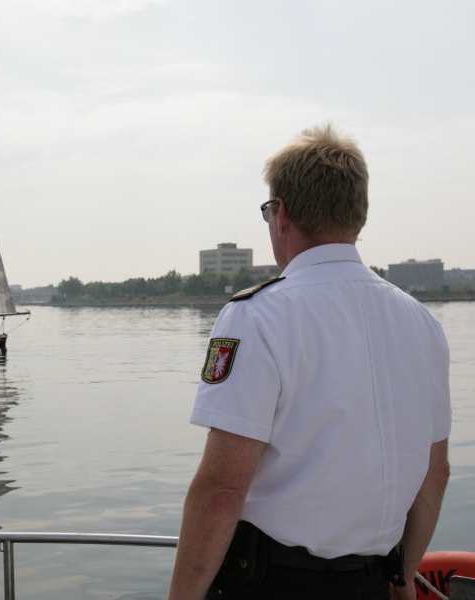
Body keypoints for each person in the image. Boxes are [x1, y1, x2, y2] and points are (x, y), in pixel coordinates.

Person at [167, 125, 451, 600]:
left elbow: (221, 488)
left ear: (282, 215)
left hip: (272, 585)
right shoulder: (421, 323)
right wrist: (402, 578)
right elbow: (434, 473)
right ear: (357, 217)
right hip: (371, 585)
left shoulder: (256, 316)